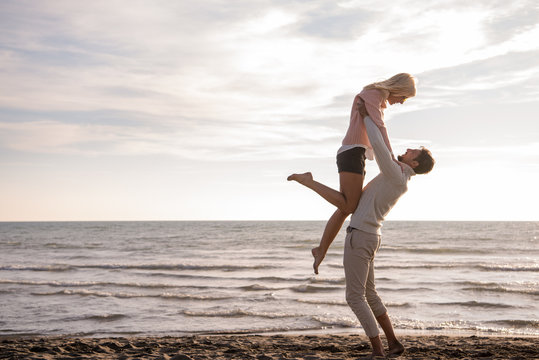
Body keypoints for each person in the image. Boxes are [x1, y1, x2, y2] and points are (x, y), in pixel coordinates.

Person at [328, 113, 435, 358]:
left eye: (413, 151)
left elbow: (377, 145)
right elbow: (384, 148)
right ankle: (394, 343)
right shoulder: (399, 175)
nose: (407, 149)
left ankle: (377, 351)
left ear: (415, 163)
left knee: (354, 297)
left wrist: (367, 117)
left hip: (362, 236)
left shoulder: (396, 175)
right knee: (369, 294)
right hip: (370, 235)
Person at [287, 73, 417, 274]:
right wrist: (391, 159)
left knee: (347, 207)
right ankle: (308, 181)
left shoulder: (378, 98)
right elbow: (379, 129)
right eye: (404, 97)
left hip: (356, 153)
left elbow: (376, 127)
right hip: (352, 152)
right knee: (348, 205)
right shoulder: (374, 94)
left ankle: (321, 250)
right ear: (399, 89)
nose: (401, 102)